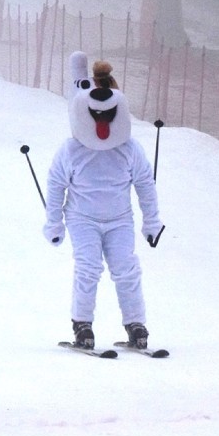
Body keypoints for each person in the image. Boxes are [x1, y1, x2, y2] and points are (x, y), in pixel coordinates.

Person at [44, 51, 164, 350]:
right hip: (82, 219)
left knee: (126, 268)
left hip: (119, 220)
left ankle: (136, 324)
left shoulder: (129, 149)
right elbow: (56, 184)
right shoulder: (72, 150)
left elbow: (145, 185)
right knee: (88, 267)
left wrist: (152, 221)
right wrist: (54, 222)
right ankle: (82, 324)